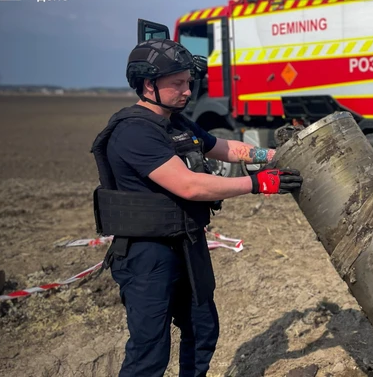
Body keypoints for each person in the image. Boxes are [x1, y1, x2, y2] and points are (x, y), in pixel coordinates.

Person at [90, 38, 302, 377]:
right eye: (178, 84)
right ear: (148, 84)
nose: (188, 91)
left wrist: (275, 157)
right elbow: (189, 185)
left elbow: (226, 148)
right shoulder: (133, 132)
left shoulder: (178, 124)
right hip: (147, 254)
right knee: (150, 353)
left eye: (189, 82)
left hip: (187, 244)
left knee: (203, 330)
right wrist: (257, 184)